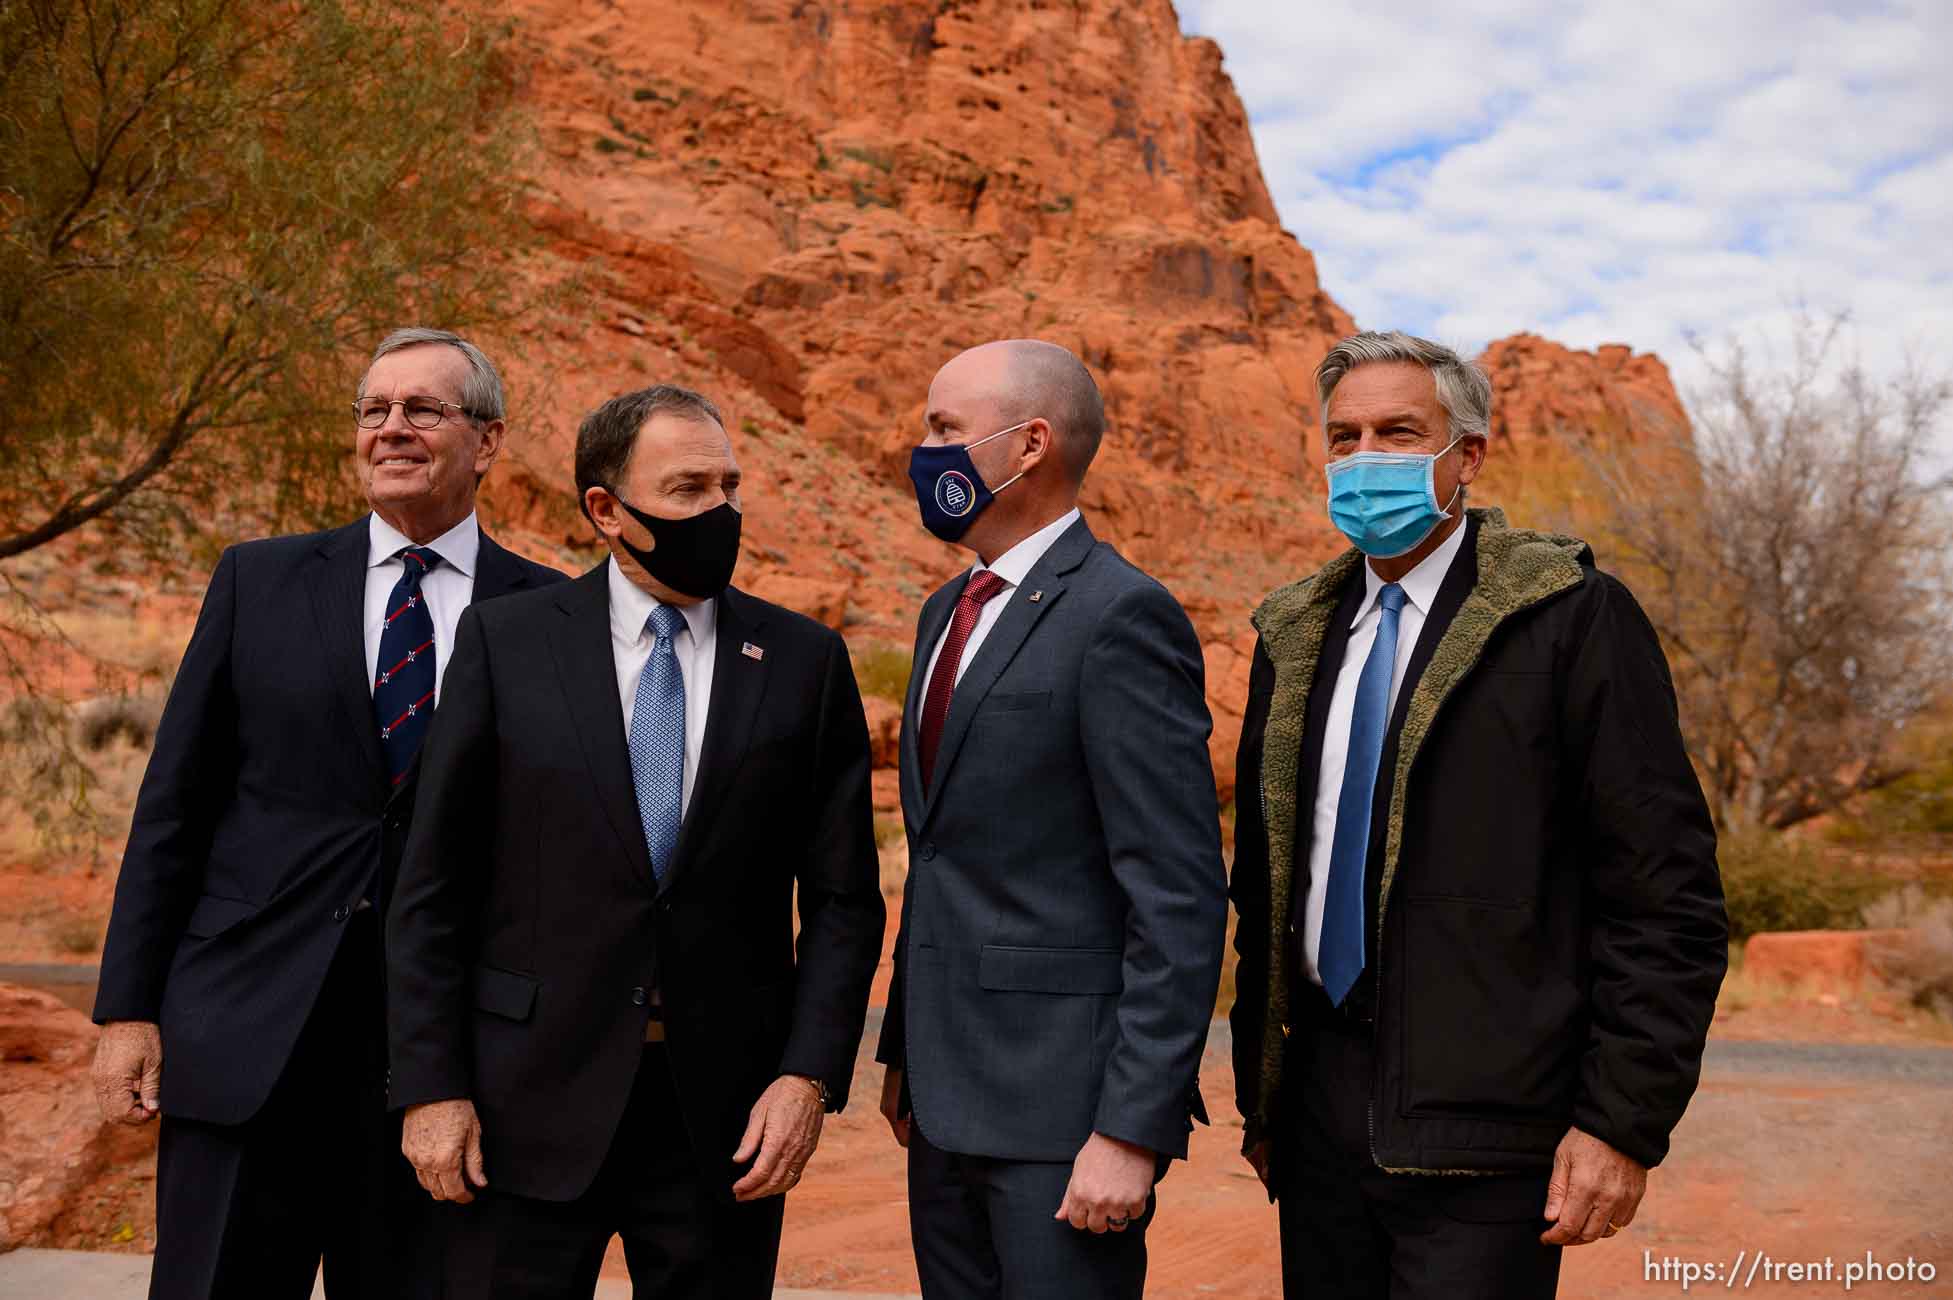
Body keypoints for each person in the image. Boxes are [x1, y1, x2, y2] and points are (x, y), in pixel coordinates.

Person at [1229, 330, 1728, 1299]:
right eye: (1344, 437)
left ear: (1469, 454)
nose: (1366, 458)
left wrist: (1621, 1120)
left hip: (1492, 1134)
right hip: (1321, 1123)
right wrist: (1266, 1096)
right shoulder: (1290, 637)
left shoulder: (1569, 618)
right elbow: (1265, 888)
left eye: (1398, 431)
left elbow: (1667, 899)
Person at [90, 328, 566, 1298]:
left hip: (439, 1067)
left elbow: (559, 852)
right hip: (244, 1033)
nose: (391, 428)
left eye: (423, 409)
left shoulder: (553, 615)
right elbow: (174, 803)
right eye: (374, 410)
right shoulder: (257, 580)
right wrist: (127, 1007)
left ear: (486, 440)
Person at [385, 383, 885, 1299]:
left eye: (730, 485)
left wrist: (806, 1078)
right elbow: (433, 884)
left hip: (724, 1119)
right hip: (518, 1106)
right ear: (607, 510)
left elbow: (845, 902)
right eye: (689, 488)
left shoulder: (805, 663)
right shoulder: (507, 641)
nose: (721, 510)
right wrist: (430, 1087)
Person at [876, 339, 1229, 1300]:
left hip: (1062, 1124)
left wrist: (1129, 1129)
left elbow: (1177, 892)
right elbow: (948, 853)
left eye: (944, 430)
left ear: (1027, 444)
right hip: (941, 1111)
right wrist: (905, 1053)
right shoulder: (945, 609)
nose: (922, 450)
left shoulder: (1121, 616)